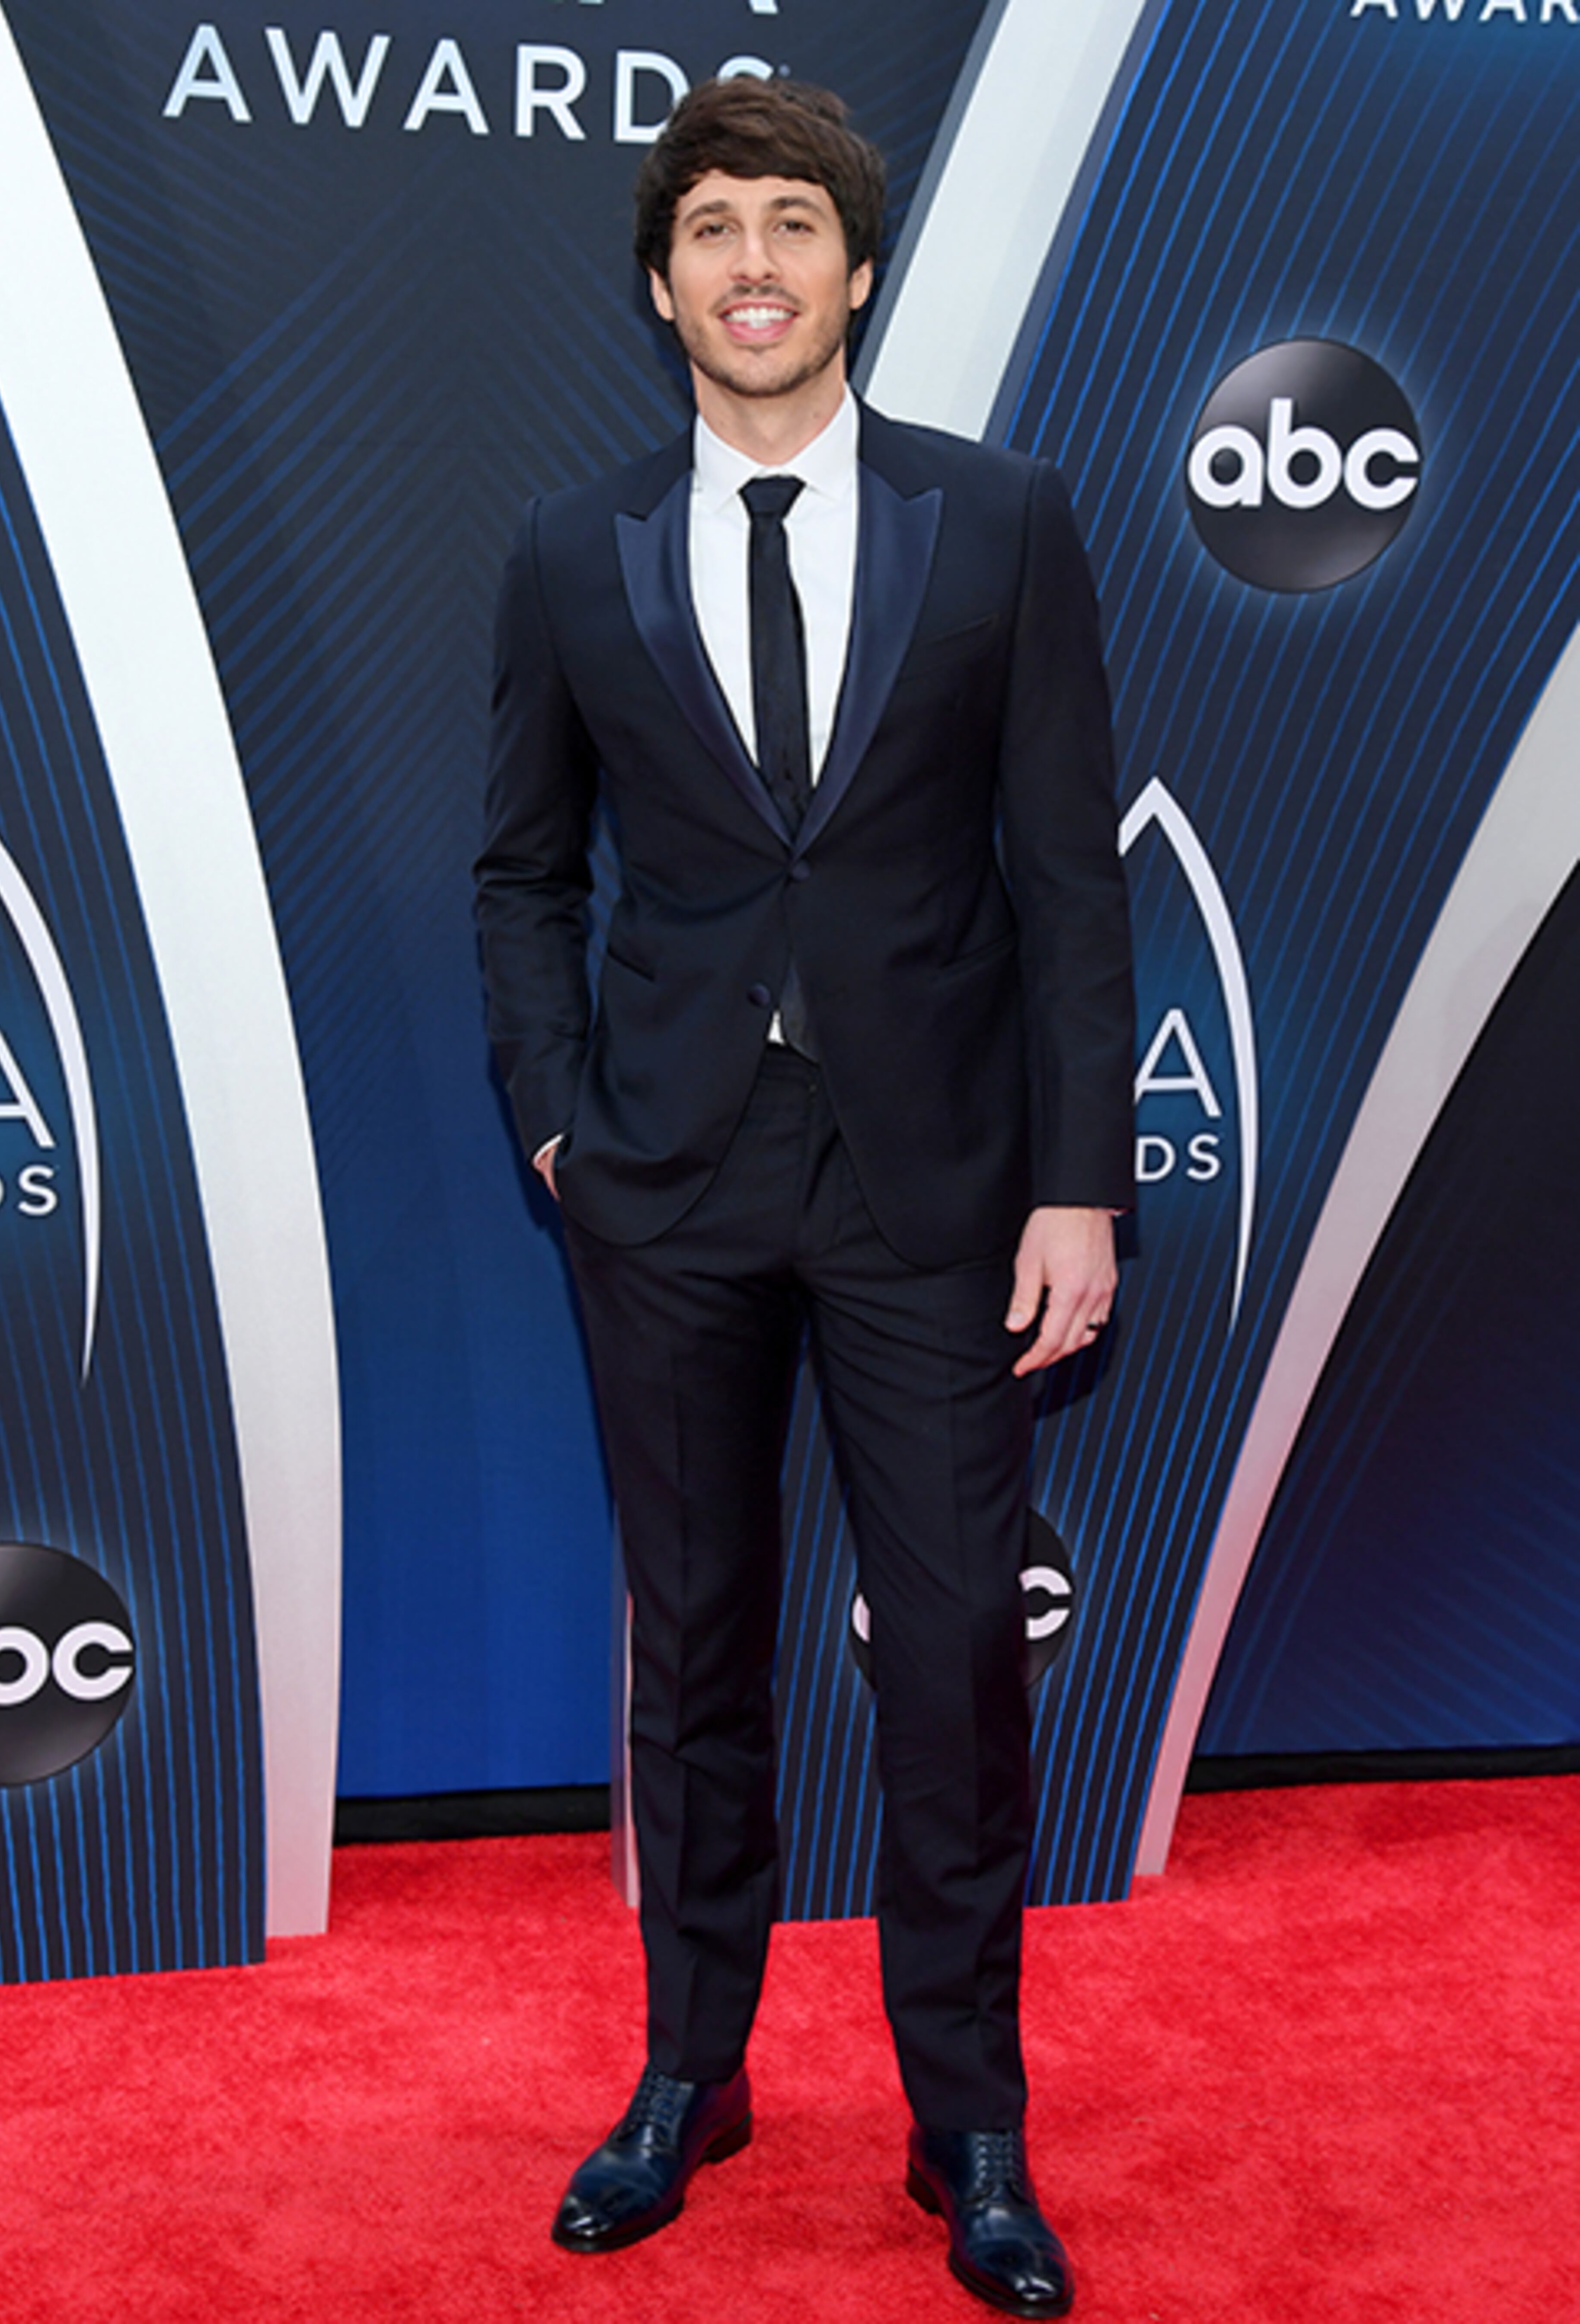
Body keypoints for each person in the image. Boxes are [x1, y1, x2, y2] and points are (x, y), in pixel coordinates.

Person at [475, 77, 1133, 2321]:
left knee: (951, 1656)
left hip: (938, 1192)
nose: (755, 265)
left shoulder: (1006, 521)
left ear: (855, 268)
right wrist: (562, 1117)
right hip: (661, 1186)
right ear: (662, 285)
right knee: (700, 1654)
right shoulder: (575, 553)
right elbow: (520, 870)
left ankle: (974, 2125)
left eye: (794, 227)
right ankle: (692, 2072)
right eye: (714, 233)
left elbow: (1066, 879)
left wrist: (1081, 1186)